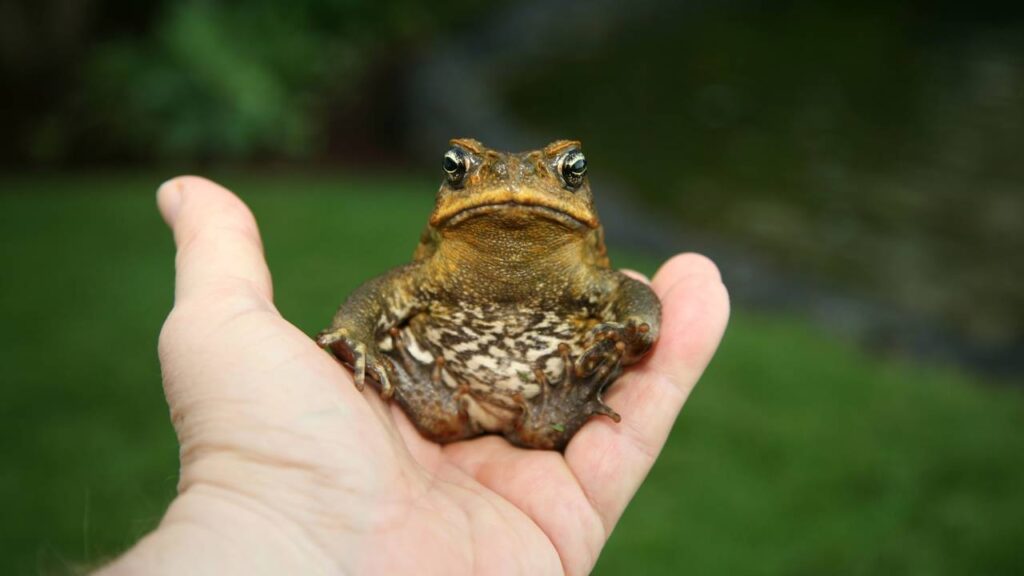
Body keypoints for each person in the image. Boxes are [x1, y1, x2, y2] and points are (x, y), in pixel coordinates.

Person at [98, 176, 730, 575]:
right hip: (429, 395)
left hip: (546, 410)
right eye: (460, 169)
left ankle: (562, 404)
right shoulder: (438, 268)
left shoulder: (581, 270)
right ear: (444, 196)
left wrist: (636, 327)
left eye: (567, 173)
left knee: (607, 366)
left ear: (581, 196)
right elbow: (381, 295)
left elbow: (631, 301)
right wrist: (352, 334)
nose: (511, 185)